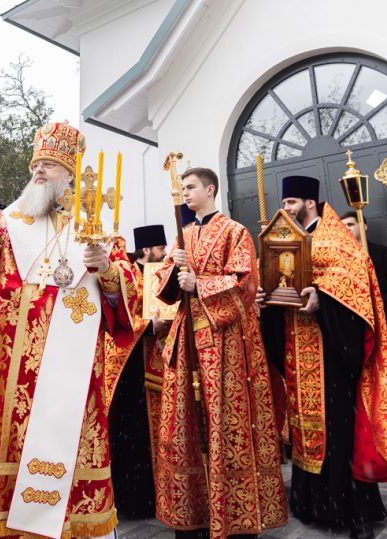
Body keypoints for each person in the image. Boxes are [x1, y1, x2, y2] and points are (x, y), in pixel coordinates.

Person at [0, 122, 138, 539]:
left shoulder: (99, 231)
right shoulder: (7, 224)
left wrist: (106, 268)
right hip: (8, 373)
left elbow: (127, 297)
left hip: (71, 375)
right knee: (2, 448)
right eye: (36, 165)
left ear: (69, 173)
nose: (38, 171)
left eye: (48, 165)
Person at [259, 176, 387, 539]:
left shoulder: (336, 239)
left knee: (339, 430)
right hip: (295, 347)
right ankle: (312, 504)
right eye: (284, 203)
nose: (285, 209)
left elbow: (354, 288)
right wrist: (266, 298)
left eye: (291, 202)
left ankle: (354, 511)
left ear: (310, 202)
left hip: (332, 351)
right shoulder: (284, 239)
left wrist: (321, 296)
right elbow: (279, 283)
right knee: (303, 427)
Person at [151, 168, 287, 539]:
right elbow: (165, 287)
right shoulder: (184, 234)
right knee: (187, 426)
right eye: (182, 188)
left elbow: (245, 283)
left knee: (225, 423)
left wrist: (200, 285)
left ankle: (235, 519)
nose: (185, 193)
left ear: (210, 189)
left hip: (225, 343)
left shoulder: (234, 231)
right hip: (187, 342)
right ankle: (195, 514)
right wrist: (174, 273)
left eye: (191, 187)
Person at [340, 212, 387, 476]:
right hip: (356, 340)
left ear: (362, 226)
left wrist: (374, 303)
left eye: (351, 224)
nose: (347, 229)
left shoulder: (383, 255)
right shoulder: (341, 260)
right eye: (342, 226)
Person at [104, 224, 168, 522]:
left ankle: (157, 496)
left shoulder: (161, 274)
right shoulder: (127, 275)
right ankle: (132, 499)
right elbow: (120, 316)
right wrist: (149, 326)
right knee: (131, 433)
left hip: (155, 364)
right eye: (160, 248)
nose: (164, 253)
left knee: (155, 433)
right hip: (128, 370)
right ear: (146, 249)